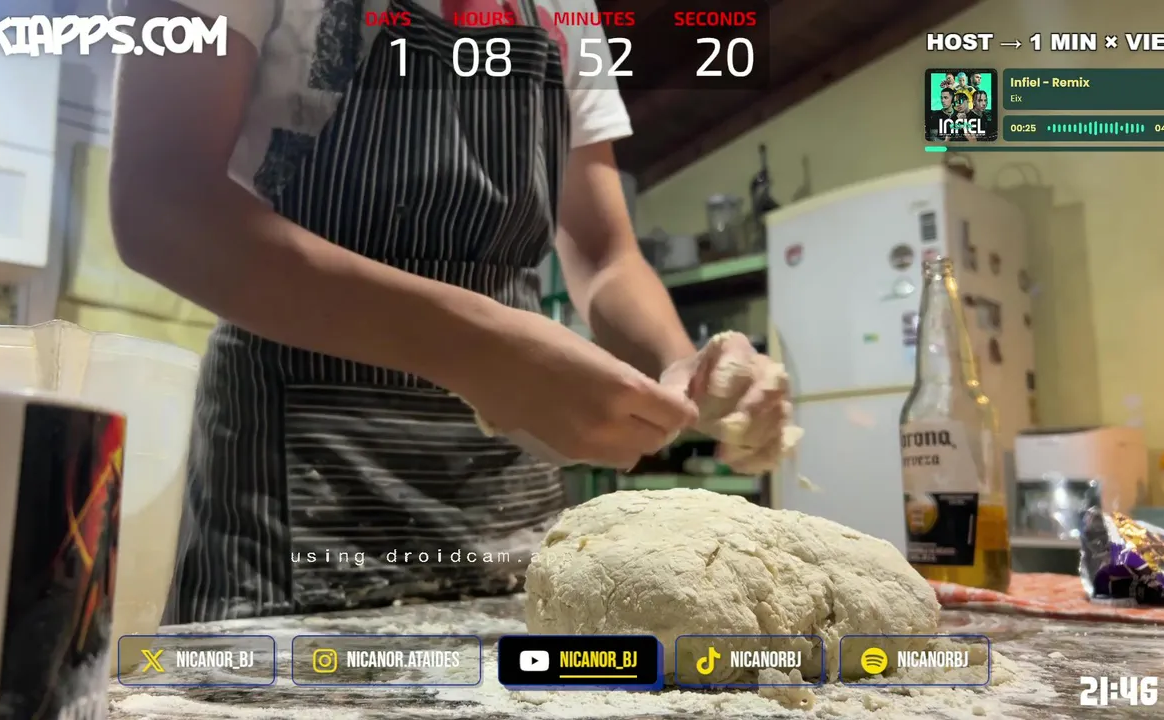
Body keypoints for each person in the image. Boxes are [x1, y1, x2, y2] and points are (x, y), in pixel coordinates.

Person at [108, 0, 793, 624]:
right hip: (293, 493)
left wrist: (685, 365)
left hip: (508, 505)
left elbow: (604, 251)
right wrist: (479, 349)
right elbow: (161, 199)